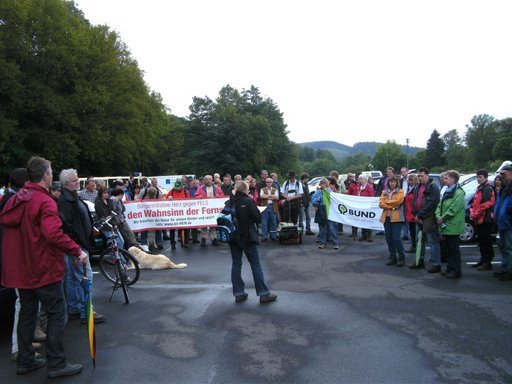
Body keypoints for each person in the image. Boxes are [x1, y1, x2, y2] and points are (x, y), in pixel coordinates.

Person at [0, 157, 87, 378]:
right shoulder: (43, 200)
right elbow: (53, 233)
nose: (51, 175)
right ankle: (56, 363)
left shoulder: (16, 199)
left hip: (22, 270)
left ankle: (25, 359)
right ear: (45, 175)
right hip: (43, 267)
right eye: (50, 172)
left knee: (27, 314)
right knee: (58, 313)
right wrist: (76, 250)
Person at [58, 168, 105, 324]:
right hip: (76, 246)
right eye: (74, 180)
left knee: (72, 278)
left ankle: (74, 309)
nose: (78, 181)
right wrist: (78, 245)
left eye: (77, 179)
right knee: (86, 278)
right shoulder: (66, 201)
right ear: (66, 184)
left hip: (76, 245)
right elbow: (68, 226)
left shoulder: (71, 197)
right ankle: (86, 312)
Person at [228, 180, 277, 303]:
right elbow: (257, 218)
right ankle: (263, 293)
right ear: (245, 190)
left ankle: (239, 293)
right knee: (255, 264)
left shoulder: (230, 201)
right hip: (247, 235)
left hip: (233, 236)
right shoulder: (247, 201)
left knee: (236, 264)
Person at [435, 170, 465, 278]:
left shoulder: (459, 192)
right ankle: (450, 268)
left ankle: (456, 271)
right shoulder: (447, 191)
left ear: (453, 179)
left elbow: (454, 209)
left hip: (453, 225)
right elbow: (440, 205)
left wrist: (443, 218)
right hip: (445, 224)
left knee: (454, 249)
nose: (444, 180)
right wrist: (438, 215)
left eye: (446, 178)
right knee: (448, 248)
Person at [410, 167, 441, 272]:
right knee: (419, 241)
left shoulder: (434, 187)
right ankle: (419, 261)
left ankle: (436, 264)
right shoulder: (417, 187)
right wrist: (416, 214)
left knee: (432, 241)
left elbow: (432, 203)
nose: (419, 178)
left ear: (427, 175)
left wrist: (421, 215)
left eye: (421, 176)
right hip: (419, 217)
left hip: (429, 217)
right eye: (418, 176)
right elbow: (415, 201)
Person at [470, 169, 496, 271]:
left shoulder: (487, 188)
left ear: (485, 177)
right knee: (481, 241)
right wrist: (472, 212)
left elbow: (486, 204)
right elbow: (474, 203)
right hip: (479, 219)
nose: (478, 179)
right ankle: (483, 259)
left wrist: (475, 214)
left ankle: (487, 262)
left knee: (486, 241)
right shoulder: (479, 188)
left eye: (480, 177)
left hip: (485, 219)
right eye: (477, 177)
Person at [379, 176, 406, 266]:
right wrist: (392, 206)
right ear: (388, 183)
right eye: (391, 182)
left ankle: (401, 257)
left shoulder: (400, 191)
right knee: (389, 238)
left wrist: (387, 202)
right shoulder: (384, 192)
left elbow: (399, 201)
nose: (392, 183)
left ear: (396, 183)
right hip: (386, 218)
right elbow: (381, 204)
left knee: (396, 238)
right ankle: (393, 256)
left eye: (394, 182)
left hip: (397, 218)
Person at [493, 165, 512, 281]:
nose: (501, 176)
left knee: (509, 248)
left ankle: (510, 270)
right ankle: (505, 268)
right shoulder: (505, 187)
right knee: (503, 247)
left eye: (503, 174)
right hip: (502, 221)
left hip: (509, 222)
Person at [195, 175, 225, 246]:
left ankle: (214, 239)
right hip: (204, 209)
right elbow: (195, 196)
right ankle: (203, 239)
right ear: (204, 180)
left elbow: (222, 195)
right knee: (204, 224)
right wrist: (198, 197)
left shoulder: (216, 188)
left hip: (213, 209)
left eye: (209, 179)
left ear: (212, 180)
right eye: (207, 179)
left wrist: (219, 196)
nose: (208, 181)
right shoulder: (201, 188)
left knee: (213, 224)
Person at [311, 178, 339, 250]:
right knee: (322, 229)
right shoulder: (318, 192)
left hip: (329, 211)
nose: (323, 185)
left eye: (324, 183)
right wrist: (317, 199)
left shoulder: (330, 191)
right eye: (322, 183)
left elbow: (334, 201)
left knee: (332, 228)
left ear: (327, 184)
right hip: (321, 211)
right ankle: (323, 243)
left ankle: (335, 243)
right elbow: (313, 201)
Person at [166, 180, 190, 249]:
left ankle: (185, 242)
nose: (177, 189)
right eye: (176, 187)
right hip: (173, 213)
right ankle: (172, 243)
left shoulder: (185, 192)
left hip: (183, 213)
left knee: (185, 228)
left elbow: (190, 202)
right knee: (172, 229)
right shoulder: (172, 191)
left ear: (182, 186)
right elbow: (165, 199)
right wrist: (168, 198)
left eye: (178, 187)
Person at [404, 174, 418, 253]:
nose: (410, 182)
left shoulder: (415, 189)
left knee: (415, 232)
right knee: (412, 231)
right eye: (409, 180)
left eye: (411, 180)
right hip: (409, 213)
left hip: (413, 213)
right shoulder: (410, 189)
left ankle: (415, 246)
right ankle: (413, 246)